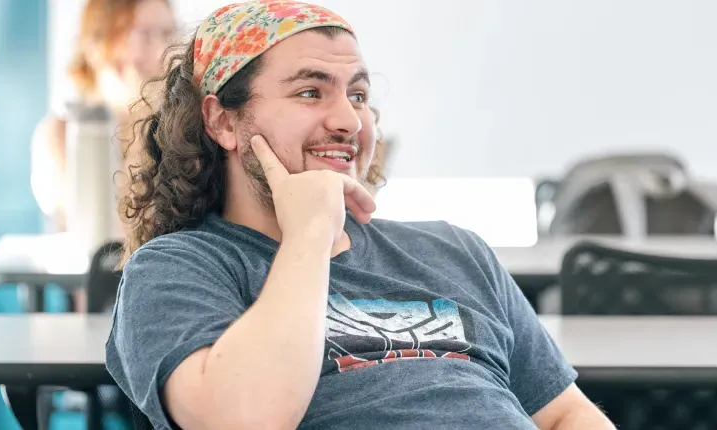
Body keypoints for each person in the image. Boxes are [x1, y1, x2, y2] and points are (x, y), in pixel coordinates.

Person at [106, 1, 616, 429]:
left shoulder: (456, 251)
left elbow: (563, 415)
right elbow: (242, 418)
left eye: (358, 96)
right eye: (311, 92)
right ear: (222, 120)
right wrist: (309, 233)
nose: (349, 120)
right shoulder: (176, 270)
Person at [30, 0, 176, 311]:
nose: (162, 51)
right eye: (145, 35)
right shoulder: (60, 134)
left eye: (168, 34)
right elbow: (105, 238)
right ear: (99, 46)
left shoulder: (179, 132)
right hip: (97, 304)